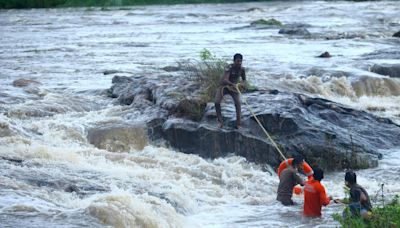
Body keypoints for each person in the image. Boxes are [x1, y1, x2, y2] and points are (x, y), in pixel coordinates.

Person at [214, 53, 246, 129]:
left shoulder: (242, 69)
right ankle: (220, 121)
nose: (239, 63)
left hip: (234, 89)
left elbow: (244, 80)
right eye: (238, 61)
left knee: (238, 104)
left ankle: (238, 124)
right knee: (217, 102)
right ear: (234, 61)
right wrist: (232, 84)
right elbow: (225, 79)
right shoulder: (229, 68)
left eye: (241, 61)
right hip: (224, 87)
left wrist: (242, 84)